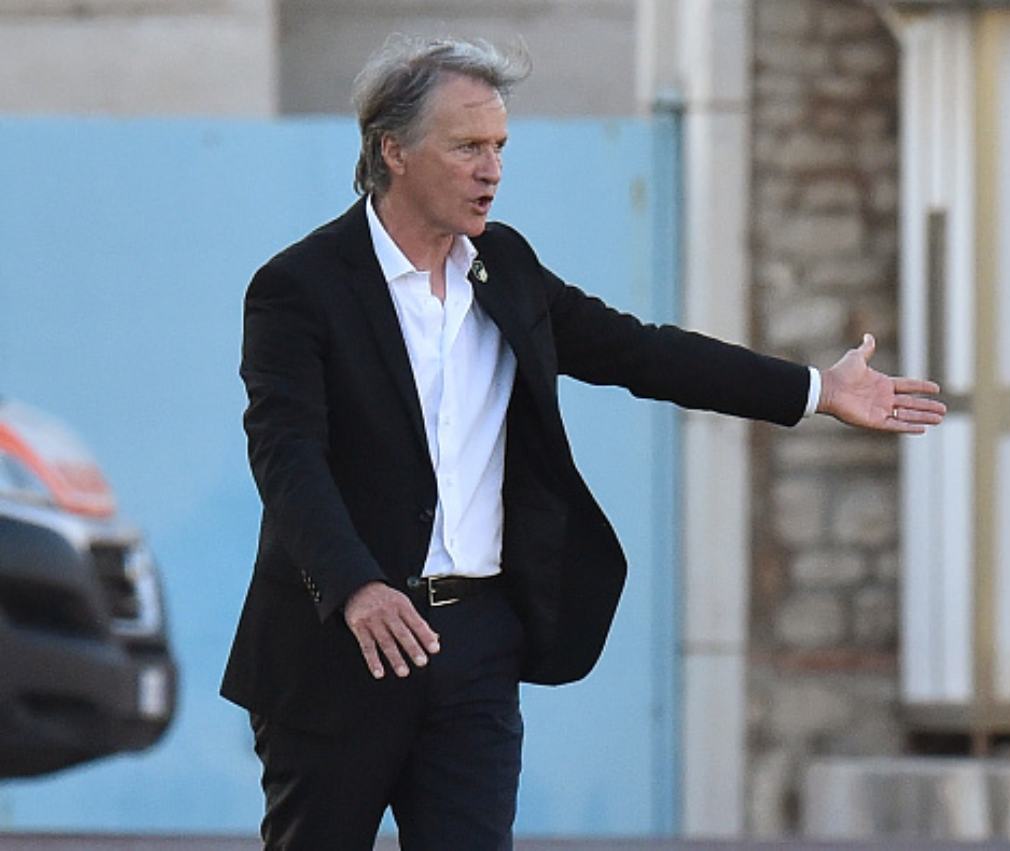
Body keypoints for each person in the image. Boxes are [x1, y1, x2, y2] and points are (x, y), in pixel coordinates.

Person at [220, 35, 945, 851]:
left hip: (475, 647)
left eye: (499, 146)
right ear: (393, 150)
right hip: (340, 646)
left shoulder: (504, 267)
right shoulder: (299, 286)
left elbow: (640, 351)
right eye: (467, 147)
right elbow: (286, 453)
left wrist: (815, 390)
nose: (492, 170)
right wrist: (356, 585)